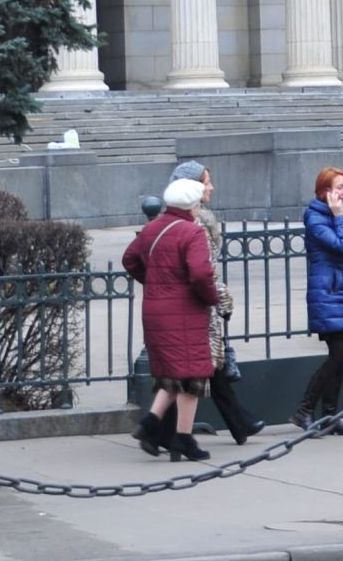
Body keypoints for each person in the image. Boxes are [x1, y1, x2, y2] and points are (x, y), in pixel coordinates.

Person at [124, 178, 222, 460]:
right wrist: (211, 297)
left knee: (173, 373)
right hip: (184, 311)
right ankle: (182, 439)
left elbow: (129, 260)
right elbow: (201, 274)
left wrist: (155, 283)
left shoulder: (152, 228)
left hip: (155, 310)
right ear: (193, 204)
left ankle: (151, 424)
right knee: (193, 377)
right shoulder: (191, 232)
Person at [176, 161, 264, 445]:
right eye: (206, 182)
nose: (211, 187)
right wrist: (222, 297)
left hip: (197, 305)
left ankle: (241, 423)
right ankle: (158, 429)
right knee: (200, 370)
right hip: (198, 306)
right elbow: (203, 271)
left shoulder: (194, 218)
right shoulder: (196, 221)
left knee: (211, 368)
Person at [289, 167, 343, 436]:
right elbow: (342, 246)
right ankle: (304, 410)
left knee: (341, 357)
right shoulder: (317, 218)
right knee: (338, 354)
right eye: (339, 187)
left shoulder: (335, 216)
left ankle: (331, 415)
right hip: (329, 294)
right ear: (324, 192)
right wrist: (340, 216)